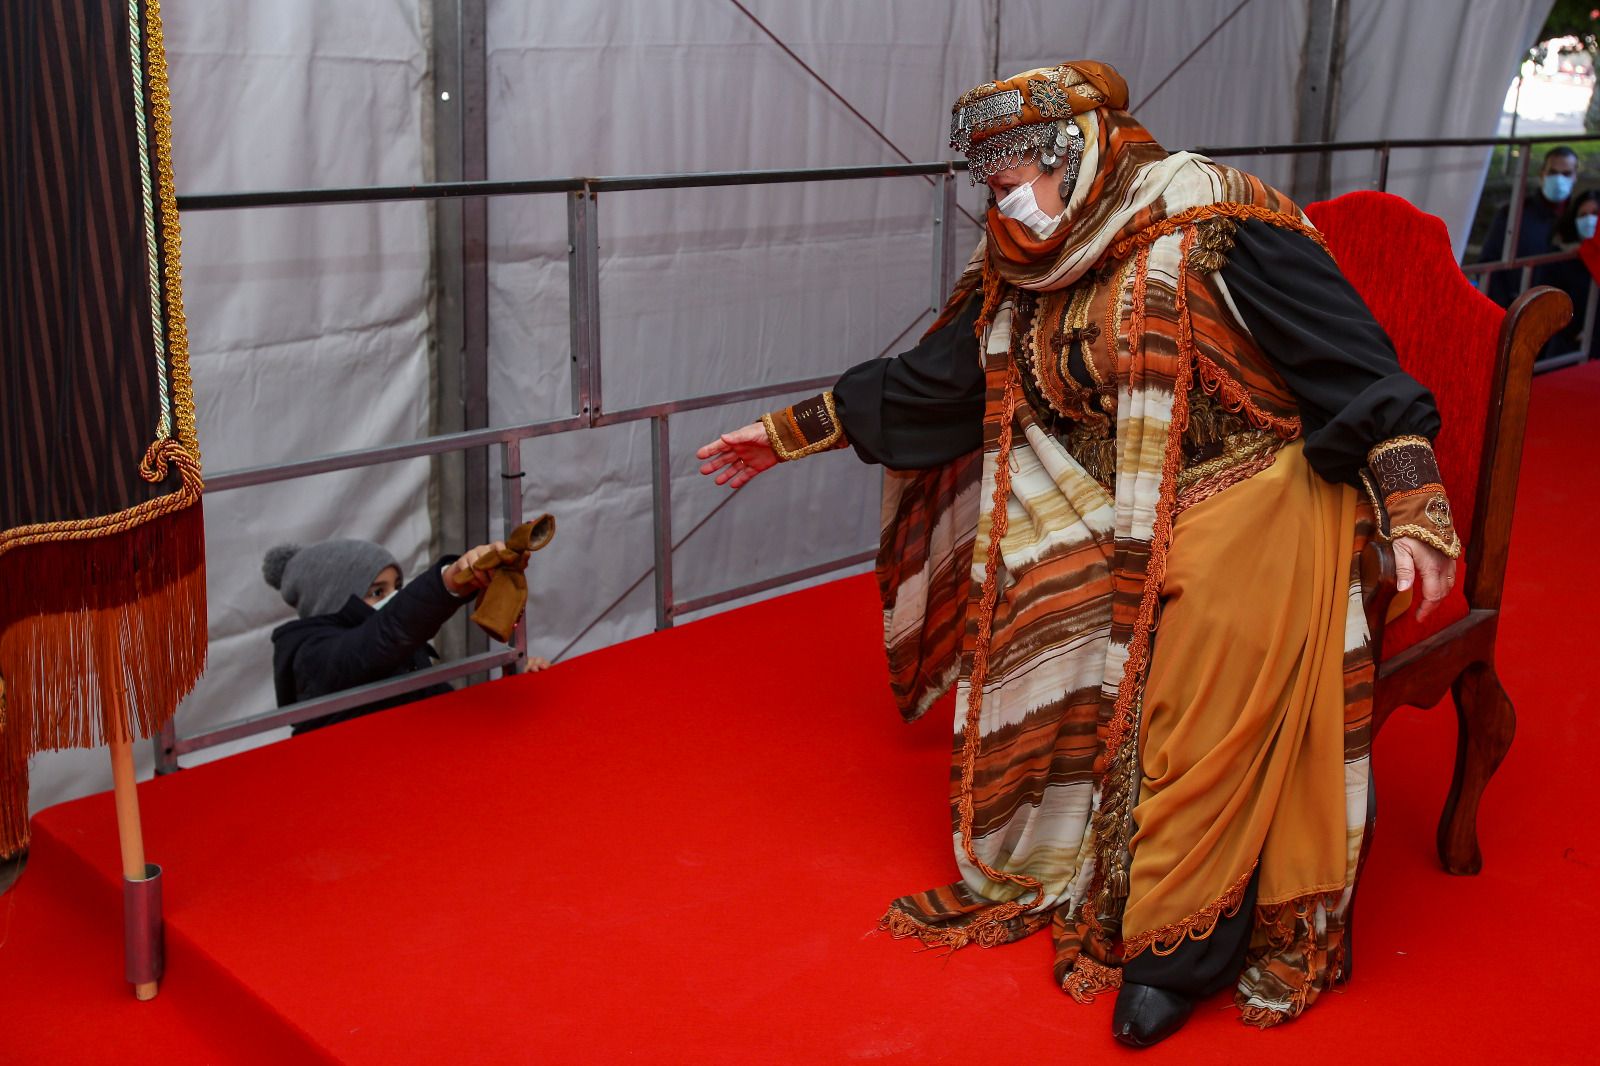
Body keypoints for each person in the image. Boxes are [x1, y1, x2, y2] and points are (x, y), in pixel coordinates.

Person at [697, 61, 1459, 1048]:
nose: (996, 198)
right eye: (984, 179)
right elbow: (937, 383)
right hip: (1128, 505)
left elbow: (1359, 366)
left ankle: (1179, 945)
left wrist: (1411, 501)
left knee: (1205, 650)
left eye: (1008, 172)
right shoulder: (1027, 262)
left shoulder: (1214, 222)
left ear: (1076, 153)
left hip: (1263, 485)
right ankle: (1079, 836)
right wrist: (791, 432)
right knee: (1029, 592)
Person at [262, 538, 548, 734]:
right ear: (333, 599)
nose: (394, 598)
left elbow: (452, 717)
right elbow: (381, 637)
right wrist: (447, 581)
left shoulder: (403, 652)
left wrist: (513, 689)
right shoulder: (311, 656)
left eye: (397, 586)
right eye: (377, 592)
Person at [1477, 144, 1579, 307]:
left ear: (1575, 177)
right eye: (1553, 172)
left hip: (1561, 316)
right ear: (1542, 174)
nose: (1559, 179)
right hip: (1516, 308)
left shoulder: (1579, 218)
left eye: (1566, 174)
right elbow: (1488, 266)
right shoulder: (1512, 214)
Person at [1535, 188, 1600, 361]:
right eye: (1583, 215)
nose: (1590, 220)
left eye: (1595, 213)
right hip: (1567, 346)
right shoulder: (1559, 258)